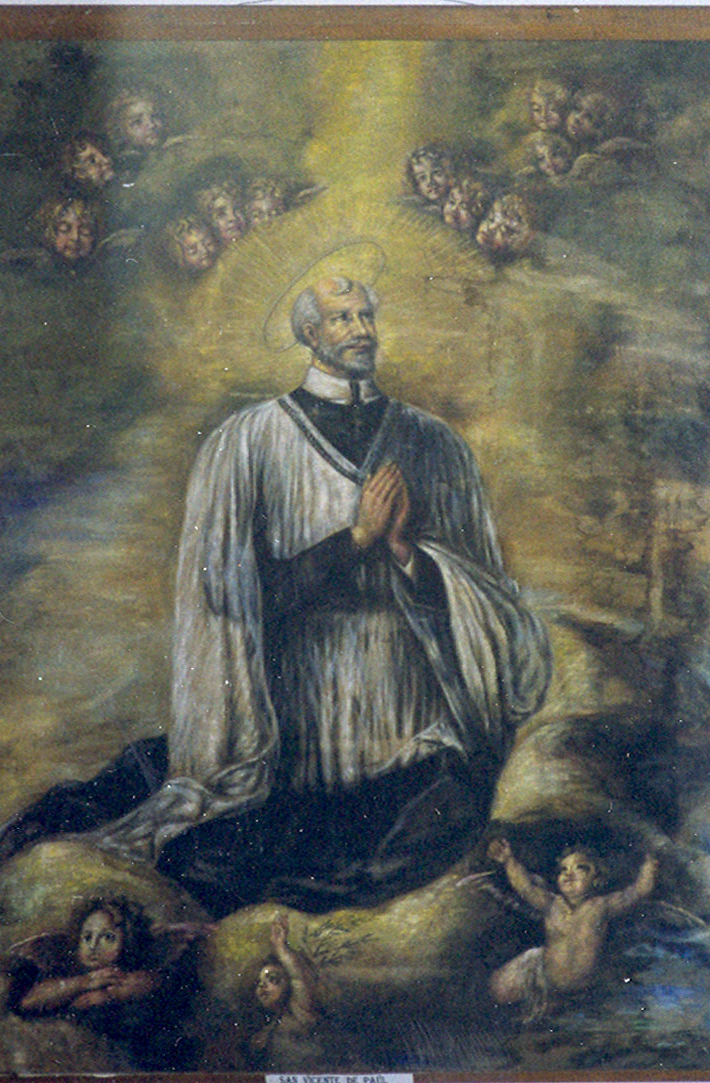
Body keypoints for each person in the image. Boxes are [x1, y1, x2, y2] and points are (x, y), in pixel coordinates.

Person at [88, 273, 551, 916]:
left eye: (366, 316)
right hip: (300, 730)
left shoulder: (435, 444)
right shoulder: (248, 443)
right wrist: (353, 541)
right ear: (309, 333)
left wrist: (407, 555)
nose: (361, 330)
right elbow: (234, 601)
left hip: (407, 720)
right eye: (342, 318)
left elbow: (483, 597)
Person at [11, 896, 206, 1068]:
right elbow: (28, 1002)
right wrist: (84, 982)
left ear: (128, 941)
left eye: (108, 937)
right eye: (87, 937)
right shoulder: (72, 974)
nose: (93, 946)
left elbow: (151, 984)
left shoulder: (131, 975)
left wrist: (107, 994)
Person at [487, 838, 658, 1020]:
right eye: (563, 869)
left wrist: (649, 865)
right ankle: (547, 999)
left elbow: (638, 891)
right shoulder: (551, 904)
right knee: (498, 989)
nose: (569, 874)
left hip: (585, 984)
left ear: (597, 878)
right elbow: (524, 886)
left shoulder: (600, 906)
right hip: (548, 980)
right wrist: (508, 860)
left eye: (580, 868)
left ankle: (560, 1002)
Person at [248, 913, 321, 1068]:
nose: (262, 986)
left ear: (290, 986)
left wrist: (280, 947)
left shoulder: (301, 1013)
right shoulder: (267, 1029)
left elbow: (299, 978)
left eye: (273, 979)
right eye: (260, 982)